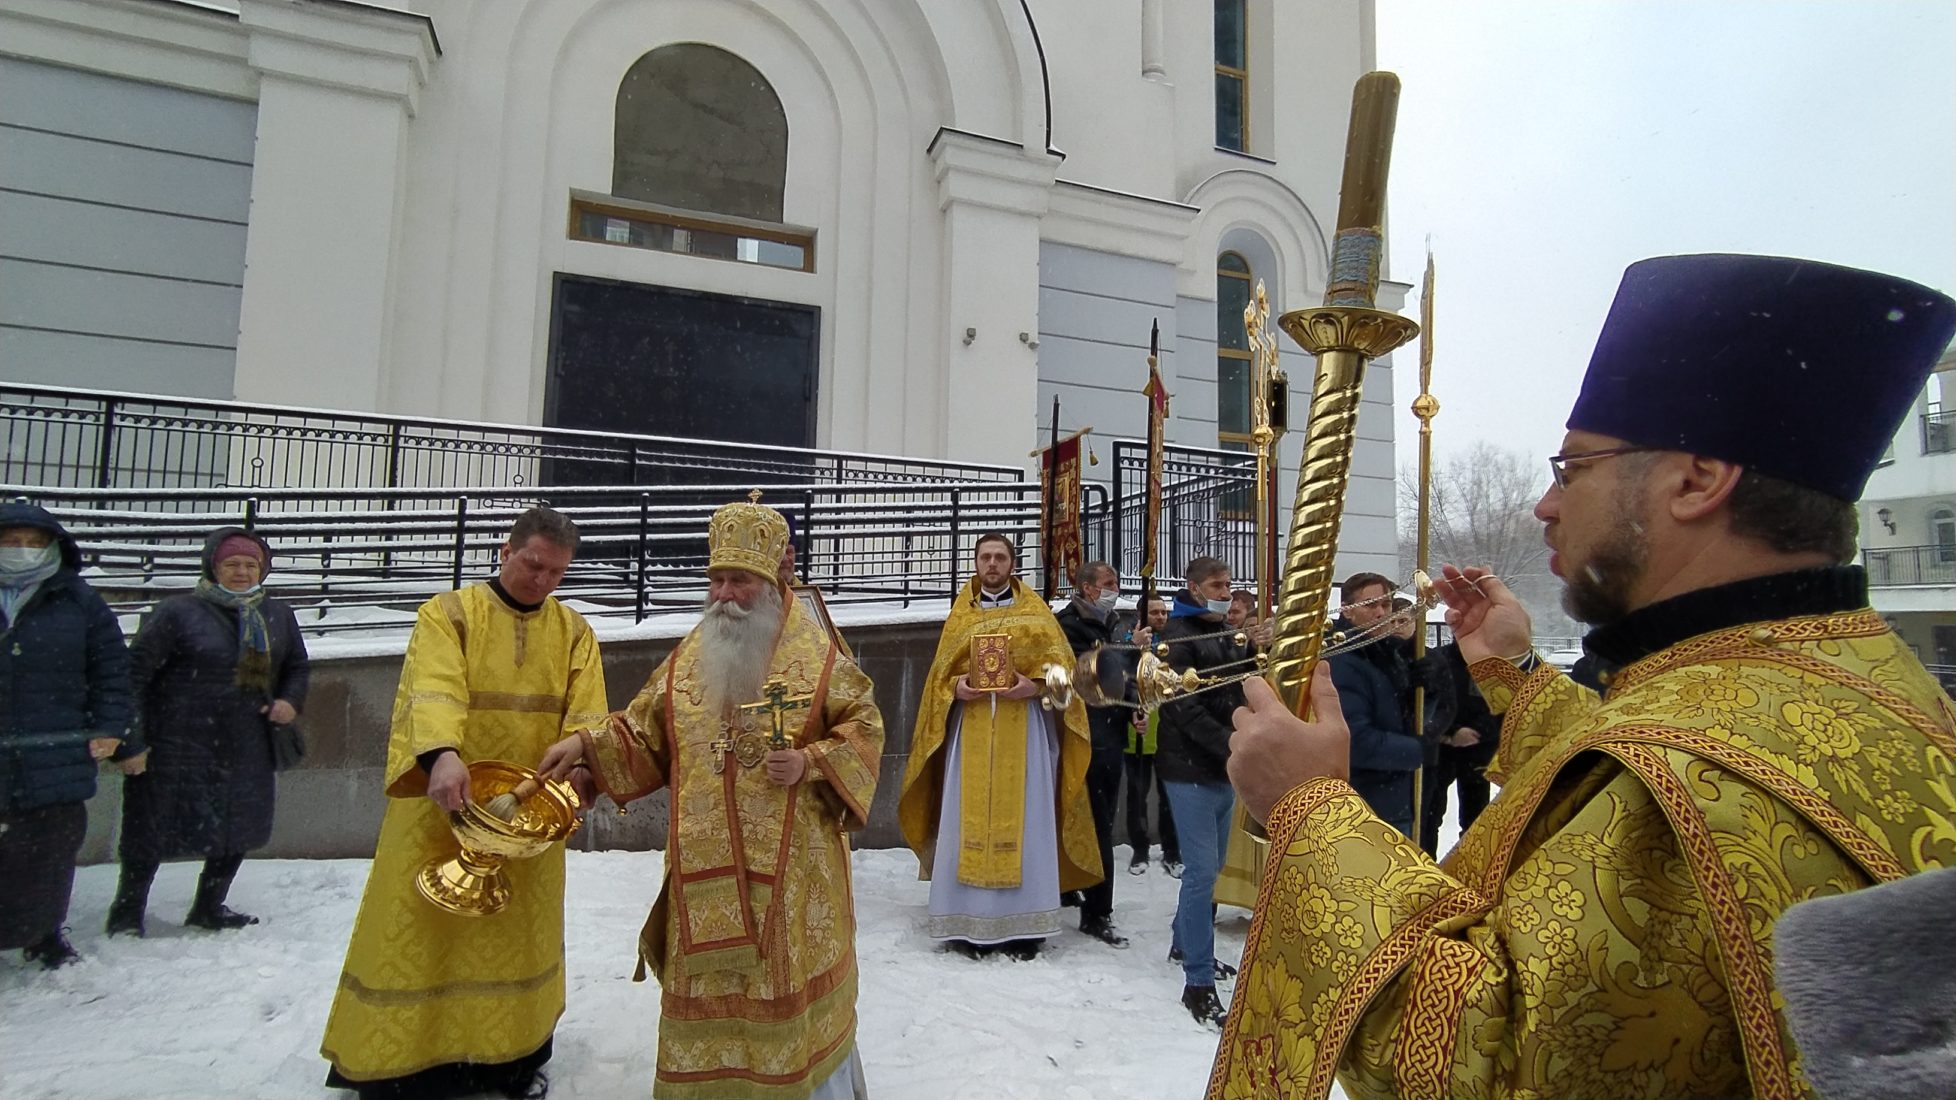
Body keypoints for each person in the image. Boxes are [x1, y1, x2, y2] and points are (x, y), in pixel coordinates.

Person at [1211, 254, 1956, 1100]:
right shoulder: (1864, 679)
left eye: (1576, 468)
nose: (1546, 505)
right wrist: (1518, 676)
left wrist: (1310, 811)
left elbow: (1482, 1065)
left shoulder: (1698, 771)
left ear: (1697, 480)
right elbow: (1635, 761)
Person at [537, 493, 883, 1100]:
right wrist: (588, 747)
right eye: (717, 579)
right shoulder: (693, 652)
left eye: (741, 581)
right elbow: (647, 728)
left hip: (790, 875)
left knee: (779, 983)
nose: (724, 594)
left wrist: (809, 761)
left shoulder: (816, 651)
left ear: (775, 579)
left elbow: (865, 727)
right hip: (703, 871)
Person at [321, 506, 609, 1100]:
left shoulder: (575, 631)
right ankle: (402, 1066)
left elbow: (588, 712)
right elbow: (433, 688)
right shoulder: (449, 614)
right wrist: (442, 753)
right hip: (442, 803)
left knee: (513, 938)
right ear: (505, 551)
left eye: (557, 572)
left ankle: (506, 1062)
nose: (543, 580)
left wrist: (583, 763)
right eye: (533, 565)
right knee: (423, 932)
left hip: (527, 817)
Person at [898, 532, 1100, 961]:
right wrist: (957, 687)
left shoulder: (1036, 613)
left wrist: (1034, 686)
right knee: (963, 821)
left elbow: (1065, 677)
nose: (992, 564)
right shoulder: (961, 615)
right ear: (975, 563)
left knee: (1028, 822)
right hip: (969, 731)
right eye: (985, 557)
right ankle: (963, 919)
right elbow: (937, 682)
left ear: (1012, 564)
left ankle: (1025, 925)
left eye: (1000, 557)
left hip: (1023, 731)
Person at [107, 528, 311, 937]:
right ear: (213, 567)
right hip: (177, 740)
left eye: (250, 565)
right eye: (231, 564)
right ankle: (127, 913)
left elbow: (296, 666)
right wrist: (132, 739)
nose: (241, 572)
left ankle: (209, 906)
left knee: (238, 825)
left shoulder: (276, 614)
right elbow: (134, 675)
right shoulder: (177, 612)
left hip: (247, 739)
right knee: (151, 825)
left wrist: (289, 700)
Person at [0, 502, 133, 969]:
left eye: (33, 543)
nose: (22, 551)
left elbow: (112, 671)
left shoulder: (78, 600)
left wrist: (110, 727)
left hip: (53, 751)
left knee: (49, 850)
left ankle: (44, 932)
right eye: (11, 542)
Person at [1155, 556, 1251, 1026]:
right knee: (1199, 873)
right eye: (1217, 584)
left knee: (1210, 867)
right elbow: (1184, 710)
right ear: (1192, 587)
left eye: (1228, 584)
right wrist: (1231, 742)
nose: (1225, 591)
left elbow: (1236, 687)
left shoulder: (1223, 632)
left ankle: (1184, 942)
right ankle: (1197, 981)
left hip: (1220, 767)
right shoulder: (1177, 638)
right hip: (1190, 768)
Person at [1052, 560, 1134, 947]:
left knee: (1101, 823)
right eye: (1108, 583)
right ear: (1087, 588)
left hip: (1111, 734)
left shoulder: (1116, 622)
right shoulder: (1067, 626)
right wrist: (1121, 654)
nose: (1114, 588)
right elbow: (1090, 674)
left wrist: (1136, 705)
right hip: (1082, 733)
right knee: (1078, 817)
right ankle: (1078, 894)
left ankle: (1099, 907)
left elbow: (1128, 676)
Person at [1323, 573, 1425, 834]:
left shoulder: (1387, 654)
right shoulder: (1344, 661)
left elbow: (1407, 718)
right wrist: (1418, 750)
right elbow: (1355, 741)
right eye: (1371, 605)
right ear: (1347, 611)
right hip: (1367, 802)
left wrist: (1432, 689)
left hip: (1393, 796)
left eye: (1386, 605)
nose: (1381, 612)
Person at [1417, 640, 1500, 857]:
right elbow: (1427, 703)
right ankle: (1428, 868)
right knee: (1430, 817)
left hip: (1478, 749)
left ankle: (1469, 870)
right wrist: (1451, 732)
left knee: (1475, 821)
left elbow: (1503, 708)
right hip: (1442, 750)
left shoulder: (1493, 662)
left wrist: (1478, 731)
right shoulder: (1438, 659)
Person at [1124, 596, 1180, 876]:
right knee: (1137, 795)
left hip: (1169, 732)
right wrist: (1134, 649)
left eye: (1163, 612)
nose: (1160, 617)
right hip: (1138, 732)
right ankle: (1140, 849)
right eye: (1154, 612)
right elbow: (1124, 679)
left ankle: (1172, 850)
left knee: (1170, 797)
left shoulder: (1173, 642)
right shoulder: (1127, 639)